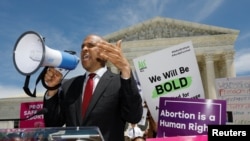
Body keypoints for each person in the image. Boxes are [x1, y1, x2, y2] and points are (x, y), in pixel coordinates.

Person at [43, 34, 143, 141]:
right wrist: (52, 89)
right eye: (82, 47)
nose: (84, 49)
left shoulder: (120, 82)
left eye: (90, 45)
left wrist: (125, 69)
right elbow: (53, 123)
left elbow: (134, 116)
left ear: (104, 52)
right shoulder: (68, 85)